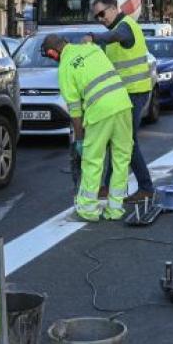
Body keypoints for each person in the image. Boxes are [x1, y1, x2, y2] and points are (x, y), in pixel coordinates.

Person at [43, 33, 134, 221]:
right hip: (123, 104)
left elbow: (75, 110)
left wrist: (79, 139)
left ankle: (87, 209)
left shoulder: (65, 68)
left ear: (53, 53)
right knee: (121, 157)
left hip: (100, 111)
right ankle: (116, 208)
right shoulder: (90, 49)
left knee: (92, 160)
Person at [85, 0, 155, 204]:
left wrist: (94, 38)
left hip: (135, 92)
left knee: (127, 142)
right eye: (96, 16)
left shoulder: (125, 27)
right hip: (122, 95)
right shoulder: (114, 32)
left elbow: (116, 36)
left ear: (114, 7)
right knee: (116, 140)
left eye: (102, 13)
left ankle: (146, 188)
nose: (100, 19)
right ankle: (107, 186)